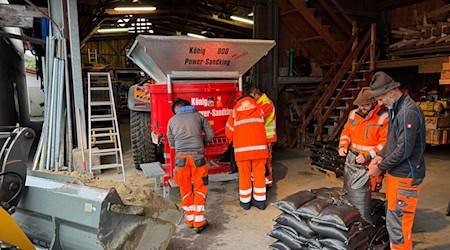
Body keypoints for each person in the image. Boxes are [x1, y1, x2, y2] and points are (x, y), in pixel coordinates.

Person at [367, 71, 426, 250]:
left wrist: (380, 167)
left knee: (399, 224)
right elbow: (392, 142)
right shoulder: (396, 108)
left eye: (380, 98)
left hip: (406, 176)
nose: (379, 103)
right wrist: (379, 156)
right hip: (396, 174)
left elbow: (404, 150)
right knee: (393, 219)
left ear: (392, 92)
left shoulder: (408, 112)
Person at [167, 98, 215, 233]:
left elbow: (171, 143)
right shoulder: (199, 116)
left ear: (176, 109)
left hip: (180, 159)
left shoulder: (172, 121)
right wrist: (201, 144)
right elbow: (211, 135)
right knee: (200, 187)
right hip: (198, 157)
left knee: (185, 188)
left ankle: (189, 220)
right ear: (188, 106)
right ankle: (199, 222)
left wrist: (181, 147)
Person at [339, 87, 388, 192]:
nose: (363, 108)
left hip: (371, 162)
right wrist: (343, 146)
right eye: (361, 105)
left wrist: (368, 155)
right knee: (350, 189)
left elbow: (385, 143)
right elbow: (346, 132)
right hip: (353, 159)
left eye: (367, 105)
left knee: (370, 193)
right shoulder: (353, 114)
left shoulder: (383, 117)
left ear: (374, 104)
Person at [225, 95, 269, 210]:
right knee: (259, 174)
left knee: (244, 176)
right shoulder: (259, 109)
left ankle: (245, 203)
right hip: (259, 150)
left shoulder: (235, 111)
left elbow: (228, 131)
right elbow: (262, 124)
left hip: (242, 151)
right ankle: (260, 202)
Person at [249, 87, 277, 188]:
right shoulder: (261, 103)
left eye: (253, 97)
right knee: (264, 160)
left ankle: (268, 181)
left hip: (267, 137)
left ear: (256, 94)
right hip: (263, 136)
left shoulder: (265, 103)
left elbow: (258, 118)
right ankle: (265, 180)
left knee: (266, 160)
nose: (252, 99)